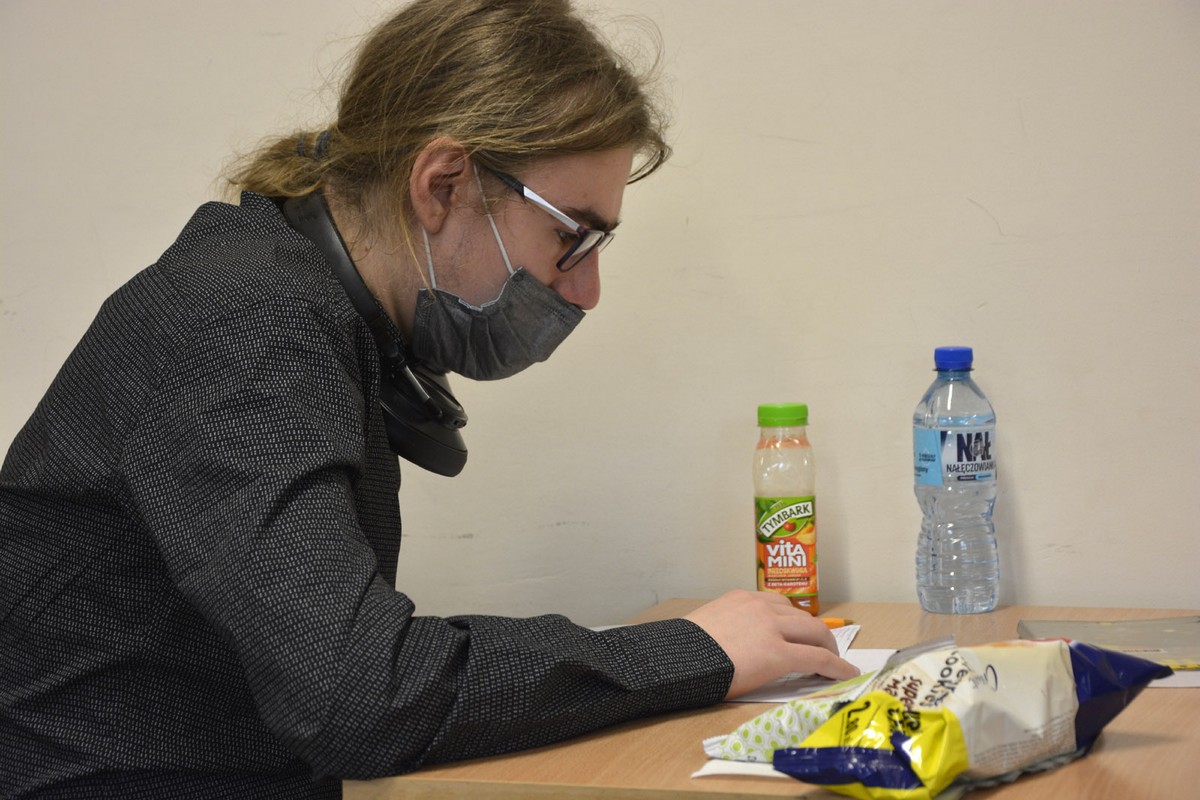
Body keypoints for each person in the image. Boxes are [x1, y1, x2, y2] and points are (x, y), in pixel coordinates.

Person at [0, 1, 857, 797]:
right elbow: (357, 694)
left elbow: (347, 662)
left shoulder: (306, 310)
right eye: (574, 237)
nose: (588, 290)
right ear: (442, 183)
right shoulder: (245, 326)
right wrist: (689, 651)